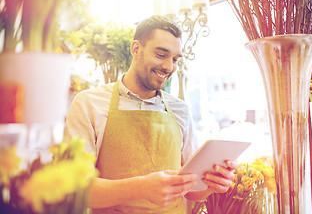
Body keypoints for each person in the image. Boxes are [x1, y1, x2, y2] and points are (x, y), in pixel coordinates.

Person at [64, 15, 236, 214]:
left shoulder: (180, 109)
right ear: (136, 49)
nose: (169, 67)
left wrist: (212, 184)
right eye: (161, 55)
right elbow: (76, 188)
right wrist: (142, 187)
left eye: (175, 59)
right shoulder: (89, 103)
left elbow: (191, 191)